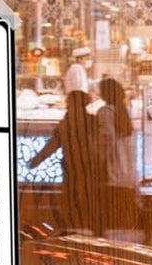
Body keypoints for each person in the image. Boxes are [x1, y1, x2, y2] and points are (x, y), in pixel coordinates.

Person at [28, 90, 100, 232]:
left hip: (71, 167)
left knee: (71, 200)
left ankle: (73, 229)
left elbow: (52, 145)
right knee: (87, 200)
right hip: (89, 168)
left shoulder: (66, 123)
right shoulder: (92, 121)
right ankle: (87, 228)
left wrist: (36, 160)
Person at [94, 76, 150, 240]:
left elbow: (107, 140)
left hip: (113, 163)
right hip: (128, 165)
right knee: (132, 199)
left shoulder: (105, 112)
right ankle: (147, 226)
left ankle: (100, 232)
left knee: (102, 199)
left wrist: (99, 161)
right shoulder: (124, 112)